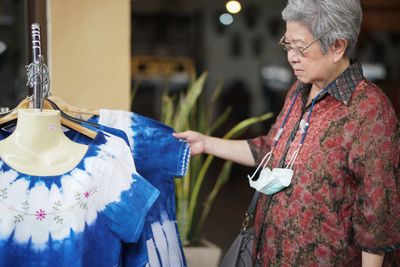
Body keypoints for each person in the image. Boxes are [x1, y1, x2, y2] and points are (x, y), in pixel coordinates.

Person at [173, 0, 400, 266]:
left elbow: (377, 217)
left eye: (300, 47)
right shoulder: (298, 91)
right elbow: (269, 149)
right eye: (287, 44)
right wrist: (206, 143)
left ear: (337, 47)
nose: (291, 56)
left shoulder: (371, 111)